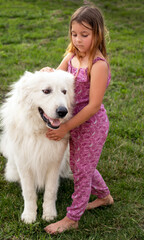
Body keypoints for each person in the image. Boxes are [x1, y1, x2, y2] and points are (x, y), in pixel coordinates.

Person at [40, 4, 114, 234]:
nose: (78, 40)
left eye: (85, 35)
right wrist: (47, 72)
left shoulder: (98, 65)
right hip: (73, 120)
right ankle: (104, 197)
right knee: (83, 163)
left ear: (97, 34)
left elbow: (93, 107)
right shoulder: (71, 56)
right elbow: (57, 75)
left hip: (91, 124)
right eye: (74, 34)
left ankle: (73, 217)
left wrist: (65, 128)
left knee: (81, 168)